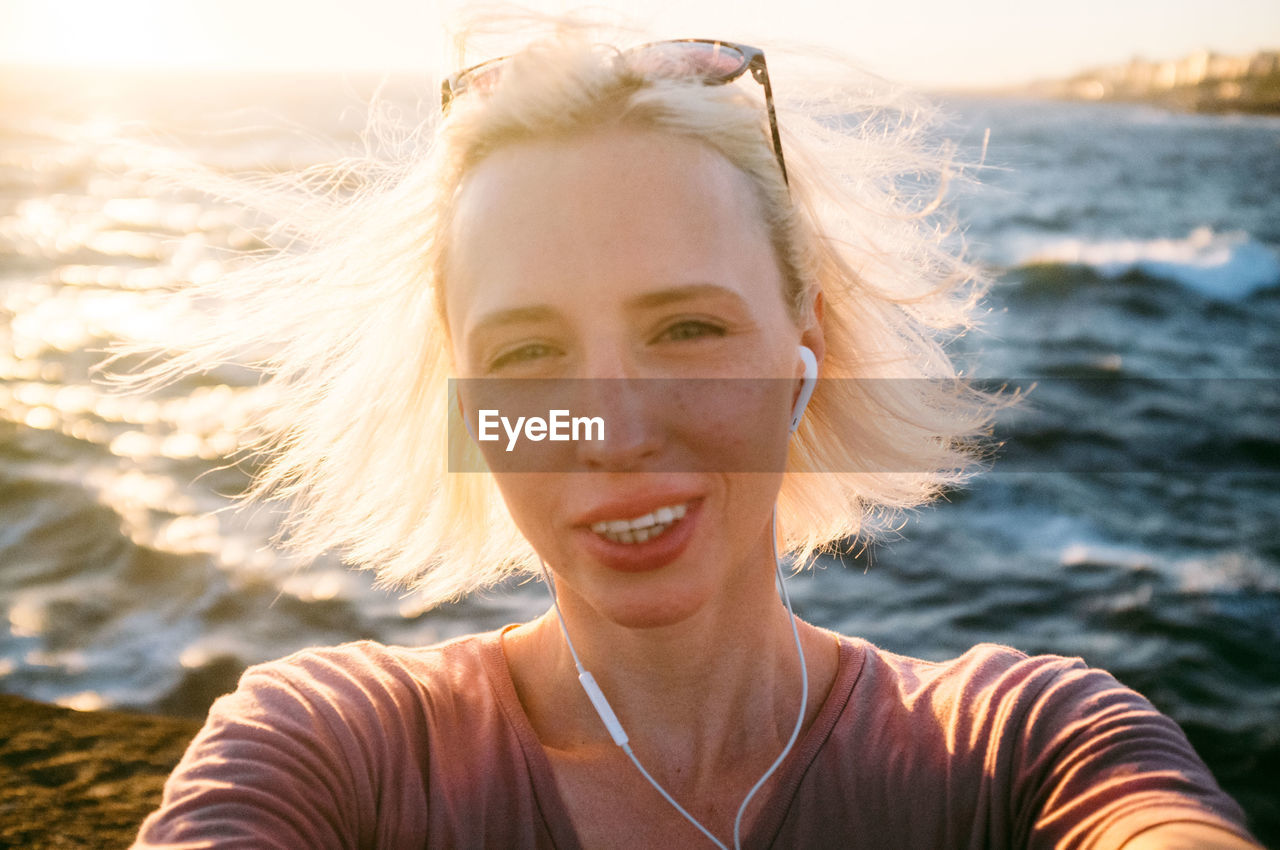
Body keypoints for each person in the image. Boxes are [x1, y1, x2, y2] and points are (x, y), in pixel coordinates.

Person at [131, 19, 1259, 850]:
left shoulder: (1019, 751)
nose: (614, 429)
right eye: (527, 353)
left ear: (801, 339)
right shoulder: (339, 753)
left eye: (684, 327)